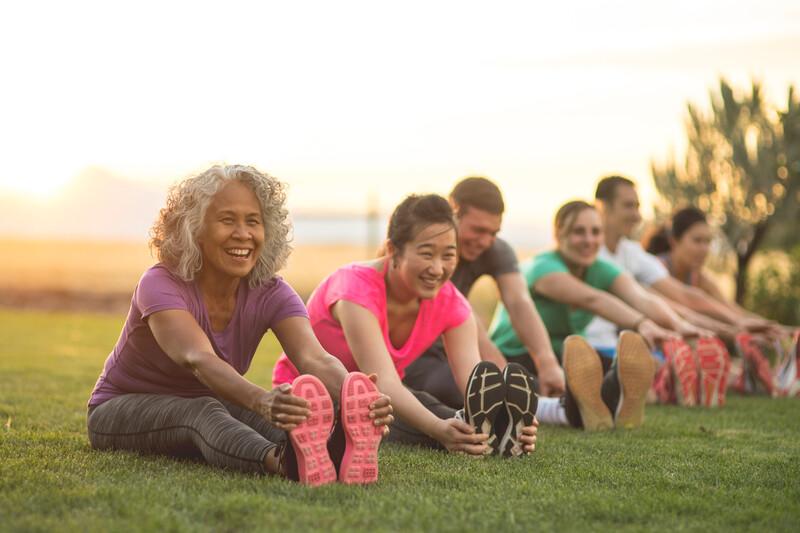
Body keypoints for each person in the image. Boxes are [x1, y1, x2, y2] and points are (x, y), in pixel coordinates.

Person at [86, 165, 393, 486]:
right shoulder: (161, 282)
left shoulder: (271, 291)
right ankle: (283, 462)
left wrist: (354, 396)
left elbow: (314, 358)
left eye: (253, 221)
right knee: (203, 411)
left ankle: (333, 452)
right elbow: (197, 358)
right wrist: (261, 400)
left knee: (295, 415)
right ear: (195, 229)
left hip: (214, 399)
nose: (243, 234)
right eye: (227, 220)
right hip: (119, 409)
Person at [273, 194, 539, 457]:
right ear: (393, 250)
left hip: (381, 401)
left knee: (430, 408)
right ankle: (478, 437)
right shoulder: (355, 290)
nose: (438, 268)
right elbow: (384, 382)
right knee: (404, 414)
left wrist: (502, 413)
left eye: (448, 255)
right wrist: (438, 428)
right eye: (427, 254)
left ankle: (498, 434)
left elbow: (474, 385)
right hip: (310, 397)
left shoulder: (452, 303)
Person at [488, 200, 675, 430]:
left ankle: (612, 400)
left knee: (617, 370)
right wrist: (642, 323)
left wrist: (678, 325)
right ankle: (588, 404)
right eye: (579, 232)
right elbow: (592, 299)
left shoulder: (600, 268)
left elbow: (640, 297)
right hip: (519, 355)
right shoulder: (542, 267)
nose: (589, 240)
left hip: (568, 356)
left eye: (595, 232)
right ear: (559, 233)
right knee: (529, 387)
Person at [403, 177, 564, 408]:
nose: (485, 241)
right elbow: (465, 316)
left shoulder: (495, 249)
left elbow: (519, 302)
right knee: (464, 389)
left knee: (529, 384)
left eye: (493, 232)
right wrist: (500, 372)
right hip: (417, 355)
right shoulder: (425, 250)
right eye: (478, 230)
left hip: (459, 349)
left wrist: (547, 363)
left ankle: (567, 406)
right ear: (453, 212)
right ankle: (545, 409)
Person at [588, 176, 730, 407]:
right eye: (628, 205)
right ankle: (659, 383)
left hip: (619, 342)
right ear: (602, 207)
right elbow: (653, 301)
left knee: (670, 360)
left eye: (637, 206)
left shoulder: (630, 252)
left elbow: (678, 297)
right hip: (592, 347)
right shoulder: (589, 255)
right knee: (654, 366)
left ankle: (665, 380)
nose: (636, 215)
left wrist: (732, 326)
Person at [644, 206, 789, 395]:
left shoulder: (700, 278)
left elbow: (731, 310)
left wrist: (778, 330)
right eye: (697, 241)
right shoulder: (655, 270)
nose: (704, 249)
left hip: (686, 350)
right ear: (674, 241)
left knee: (748, 376)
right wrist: (738, 332)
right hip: (654, 349)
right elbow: (680, 312)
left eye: (708, 242)